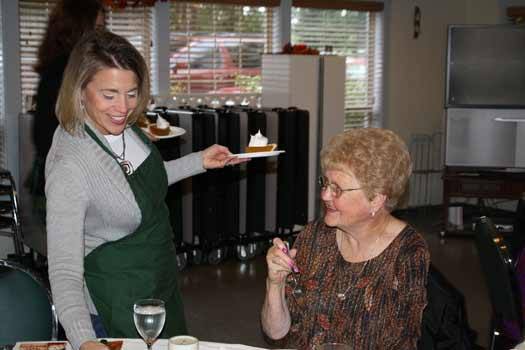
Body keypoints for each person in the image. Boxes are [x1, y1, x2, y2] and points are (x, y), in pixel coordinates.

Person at [46, 29, 246, 350]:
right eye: (109, 95)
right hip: (115, 299)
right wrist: (84, 341)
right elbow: (64, 270)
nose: (123, 107)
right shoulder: (70, 165)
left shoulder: (125, 127)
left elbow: (140, 185)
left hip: (158, 282)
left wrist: (199, 161)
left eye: (132, 93)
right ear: (80, 91)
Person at [261, 128, 430, 349]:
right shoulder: (314, 236)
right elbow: (276, 335)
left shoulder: (407, 253)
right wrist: (275, 284)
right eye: (325, 184)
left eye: (337, 189)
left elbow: (402, 343)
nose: (324, 195)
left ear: (376, 200)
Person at [29, 0, 104, 217]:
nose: (102, 35)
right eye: (97, 28)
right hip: (64, 179)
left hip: (55, 175)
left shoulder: (59, 66)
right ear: (80, 29)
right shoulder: (67, 71)